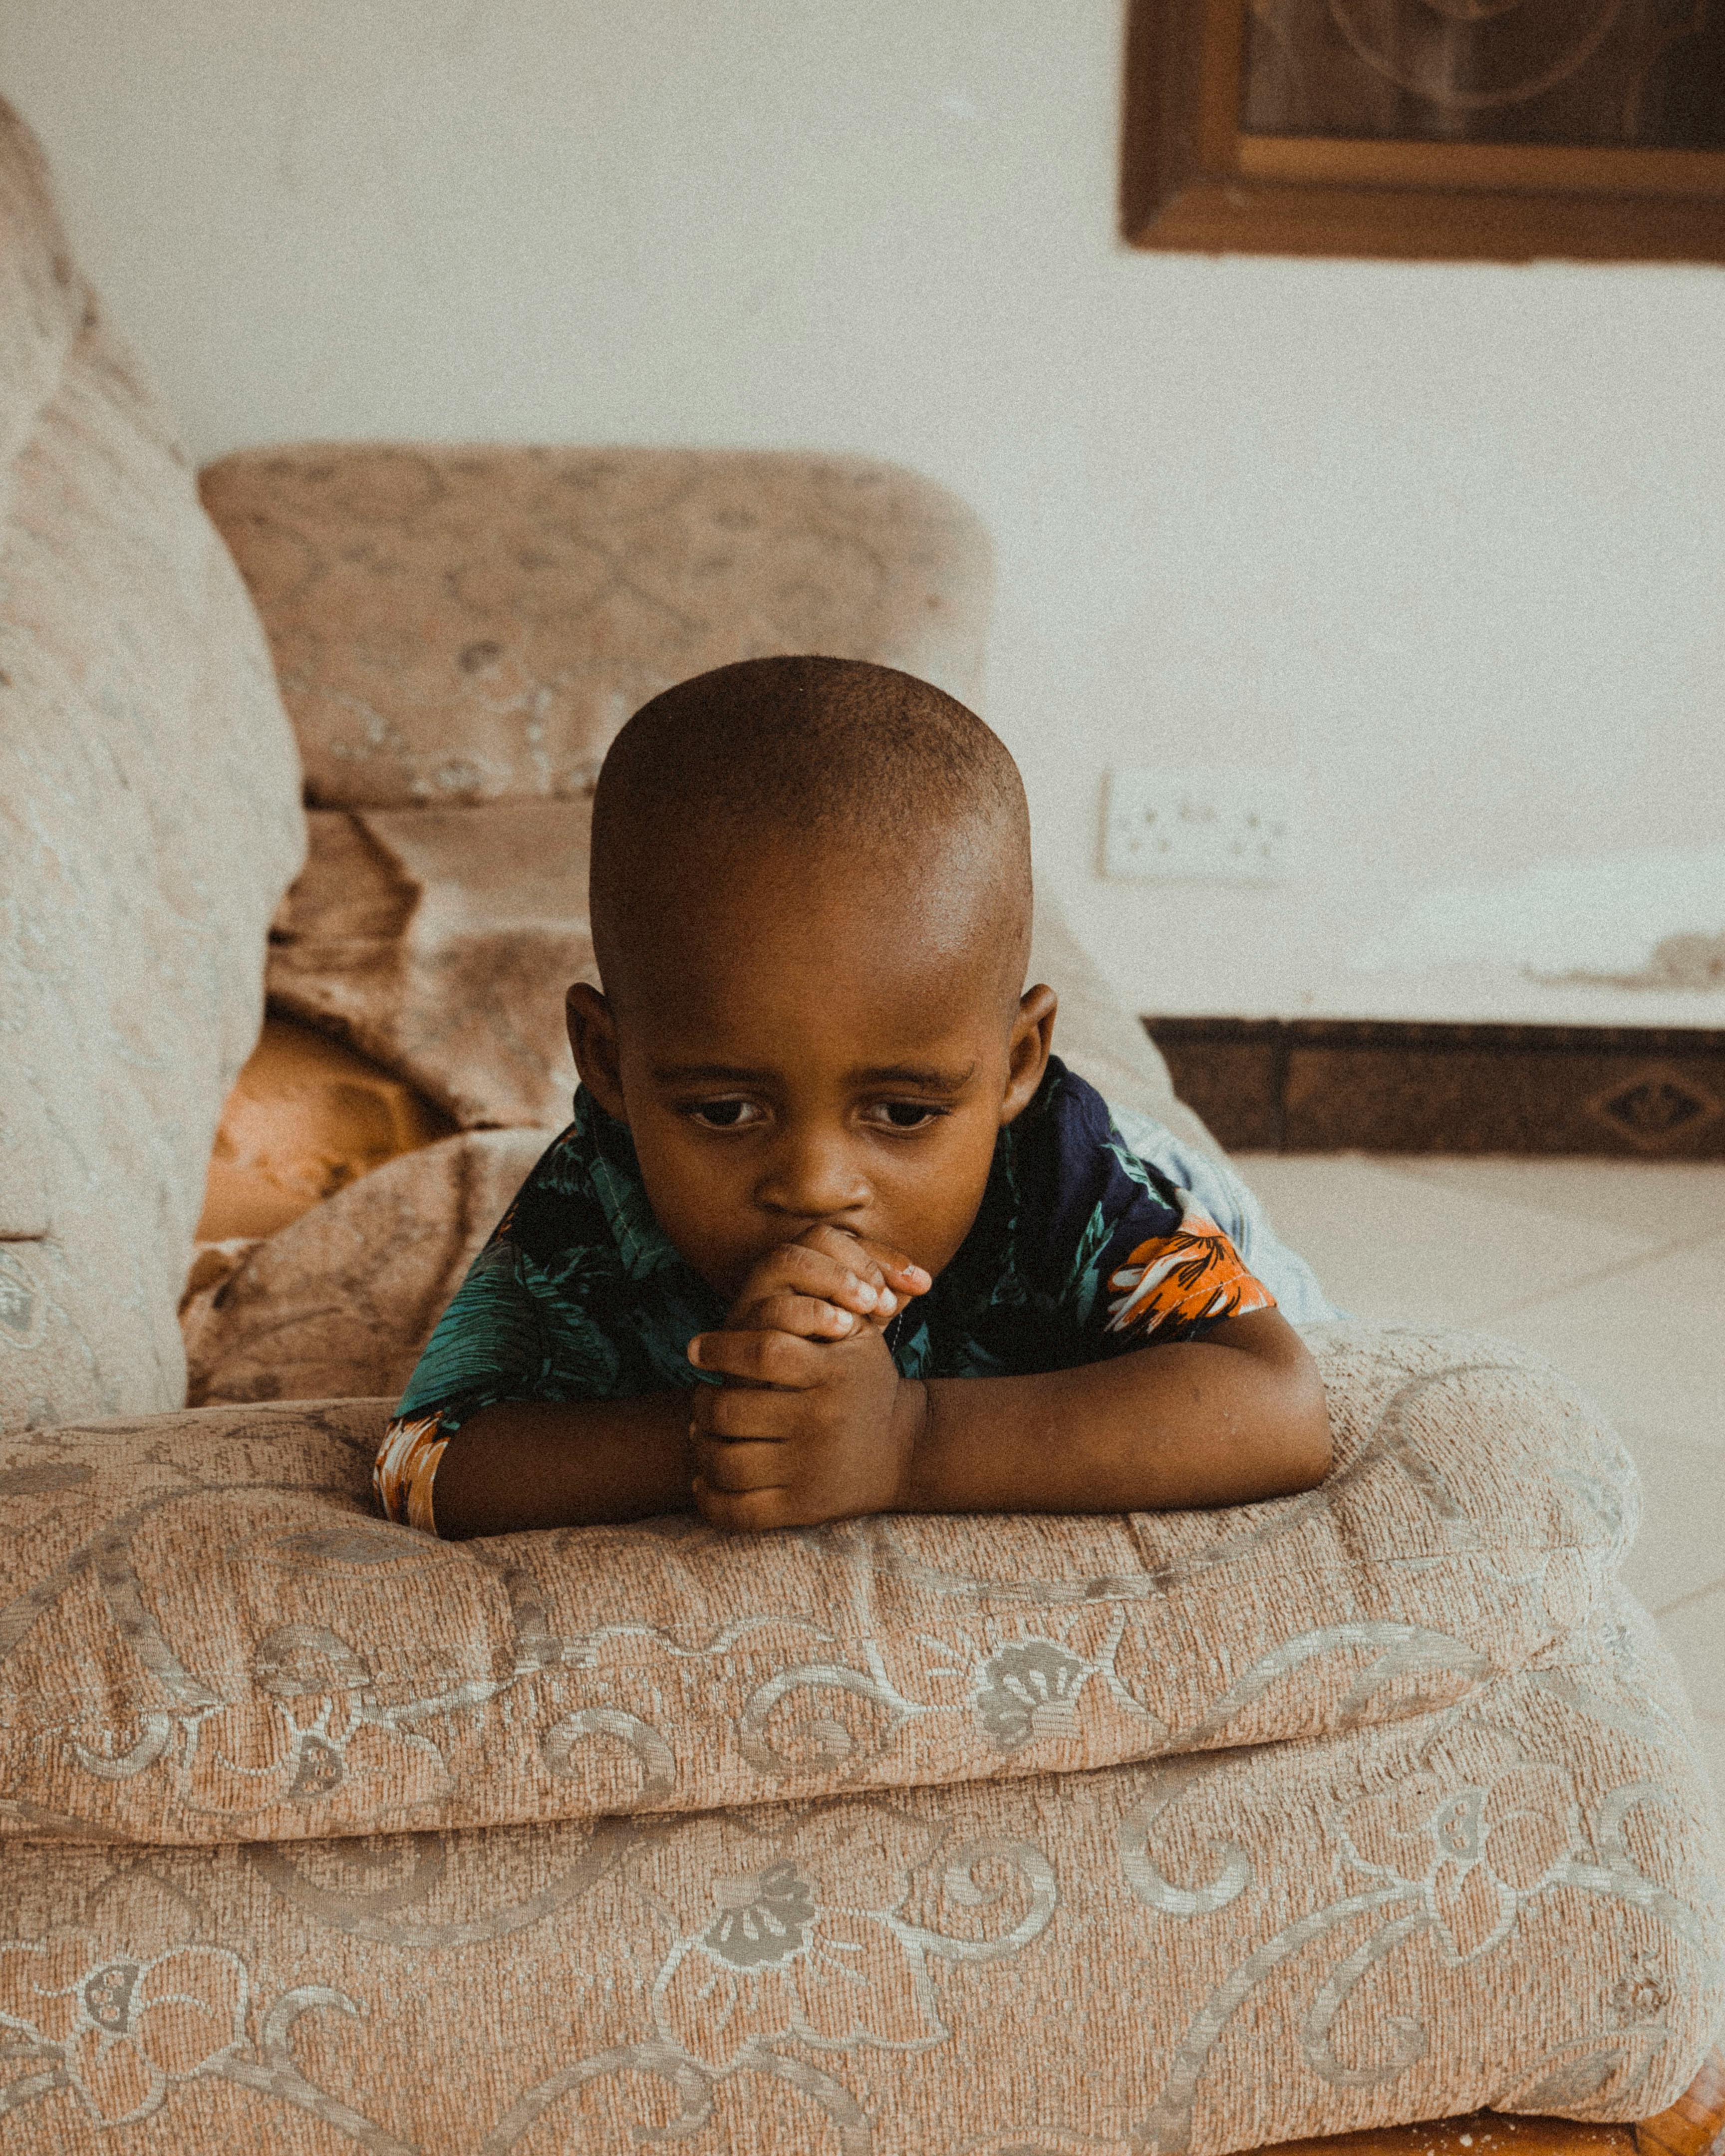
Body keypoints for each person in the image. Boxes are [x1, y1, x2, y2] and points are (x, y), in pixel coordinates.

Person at [374, 655, 1335, 1539]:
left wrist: (906, 1440)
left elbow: (1279, 1409)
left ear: (1016, 1063)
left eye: (903, 1114)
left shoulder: (1066, 1174)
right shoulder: (599, 1185)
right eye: (725, 1112)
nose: (816, 1183)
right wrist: (745, 1420)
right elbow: (426, 1463)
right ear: (609, 1066)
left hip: (1173, 1205)